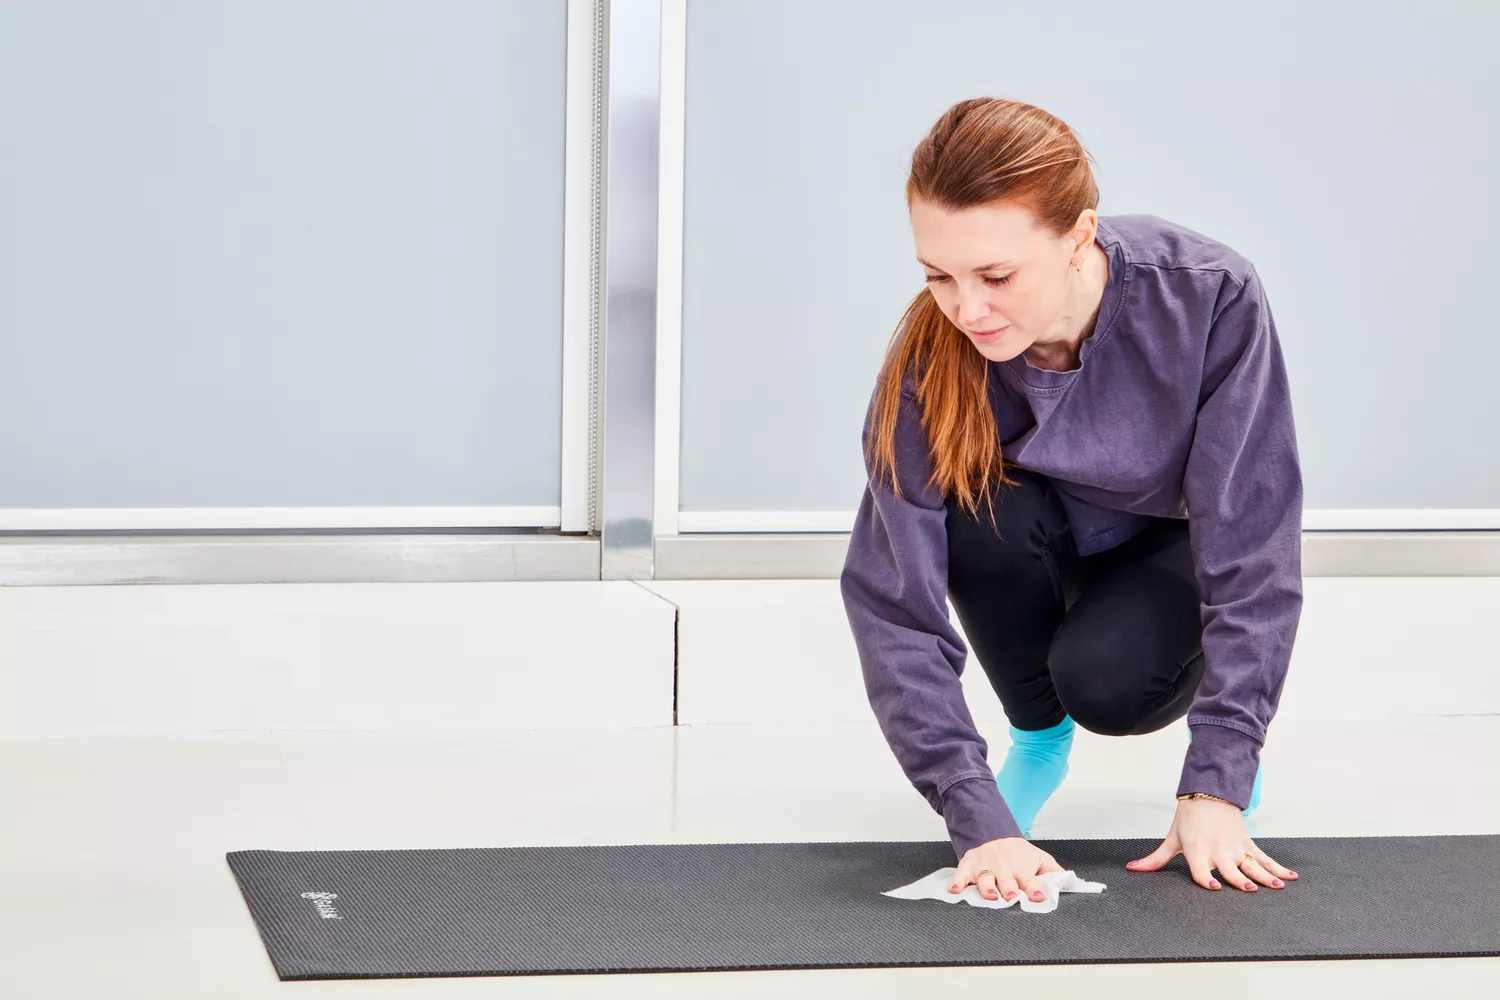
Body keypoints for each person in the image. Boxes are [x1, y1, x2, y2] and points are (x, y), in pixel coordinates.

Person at [840, 97, 1304, 907]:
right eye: (938, 275)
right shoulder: (930, 357)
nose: (967, 308)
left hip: (1167, 550)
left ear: (1080, 237)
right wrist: (974, 815)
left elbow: (1251, 542)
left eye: (996, 275)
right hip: (1037, 540)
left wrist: (1217, 784)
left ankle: (1210, 754)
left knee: (1106, 684)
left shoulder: (1210, 293)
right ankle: (1037, 738)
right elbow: (893, 603)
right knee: (974, 508)